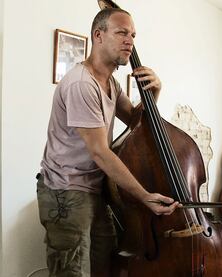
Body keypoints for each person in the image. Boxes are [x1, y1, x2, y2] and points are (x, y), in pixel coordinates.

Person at [37, 8, 180, 277]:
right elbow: (101, 152)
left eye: (133, 35)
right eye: (122, 33)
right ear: (98, 36)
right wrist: (144, 196)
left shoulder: (111, 83)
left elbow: (135, 122)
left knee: (105, 263)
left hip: (94, 189)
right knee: (72, 271)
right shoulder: (82, 84)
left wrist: (154, 94)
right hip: (66, 190)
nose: (130, 41)